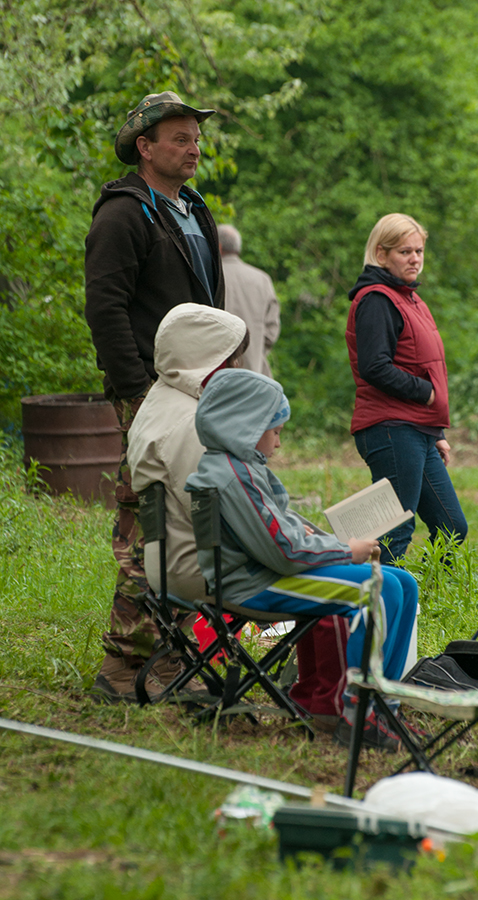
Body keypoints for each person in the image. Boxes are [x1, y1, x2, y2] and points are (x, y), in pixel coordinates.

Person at [128, 303, 350, 730]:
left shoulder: (162, 402)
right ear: (201, 358)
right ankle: (333, 699)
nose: (234, 369)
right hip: (207, 565)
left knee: (312, 554)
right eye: (227, 360)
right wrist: (314, 544)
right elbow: (232, 515)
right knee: (336, 577)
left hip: (169, 560)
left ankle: (320, 693)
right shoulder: (189, 424)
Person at [185, 368, 419, 749]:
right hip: (254, 584)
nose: (279, 443)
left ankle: (383, 705)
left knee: (403, 582)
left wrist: (329, 543)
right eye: (275, 431)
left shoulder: (239, 468)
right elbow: (285, 552)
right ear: (246, 427)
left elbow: (282, 531)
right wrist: (346, 551)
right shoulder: (234, 476)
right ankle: (358, 713)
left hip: (264, 573)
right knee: (378, 589)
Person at [85, 90, 225, 702]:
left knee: (192, 521)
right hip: (150, 393)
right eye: (179, 139)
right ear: (144, 147)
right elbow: (105, 309)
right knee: (146, 522)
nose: (193, 149)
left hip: (200, 394)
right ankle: (123, 667)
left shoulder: (193, 210)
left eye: (197, 138)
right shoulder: (123, 215)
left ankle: (171, 656)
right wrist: (137, 393)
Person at [345, 213, 468, 565]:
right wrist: (426, 393)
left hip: (416, 429)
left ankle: (424, 596)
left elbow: (419, 362)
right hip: (391, 428)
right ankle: (374, 598)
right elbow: (374, 367)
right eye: (404, 252)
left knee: (451, 527)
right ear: (381, 254)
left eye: (419, 251)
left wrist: (435, 431)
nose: (415, 259)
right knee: (394, 531)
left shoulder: (409, 298)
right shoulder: (376, 300)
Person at [217, 224, 280, 376]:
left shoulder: (209, 275)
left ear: (218, 246)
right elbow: (272, 329)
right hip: (254, 374)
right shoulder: (262, 279)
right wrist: (255, 351)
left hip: (214, 375)